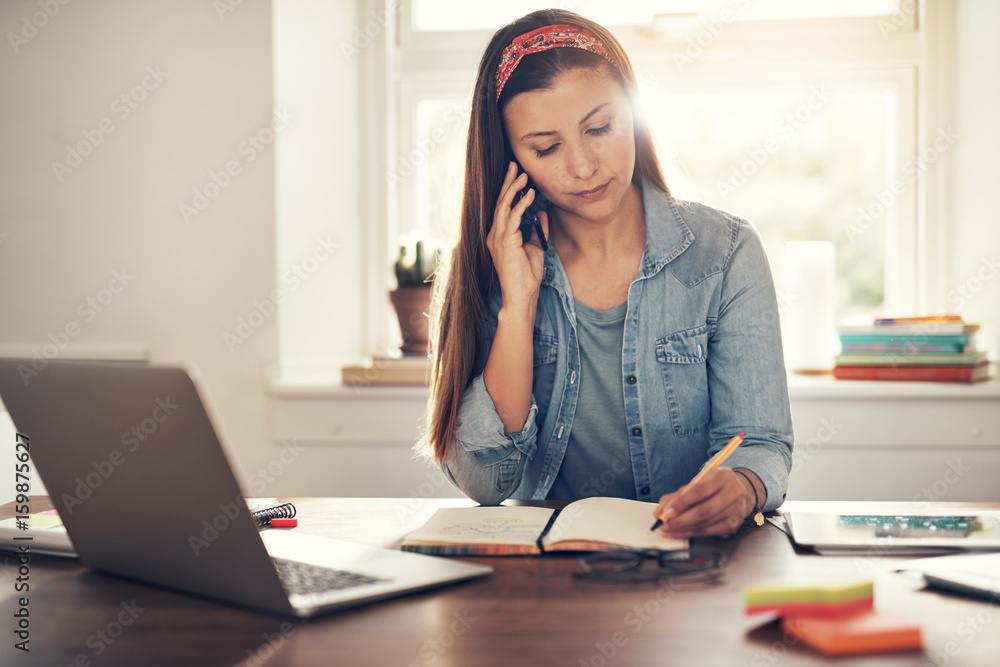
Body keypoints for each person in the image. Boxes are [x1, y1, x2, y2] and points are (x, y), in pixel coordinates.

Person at [422, 9, 793, 539]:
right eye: (547, 148)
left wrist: (741, 487)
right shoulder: (485, 264)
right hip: (544, 579)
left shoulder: (726, 253)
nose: (583, 166)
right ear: (512, 158)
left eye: (600, 128)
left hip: (688, 561)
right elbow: (485, 482)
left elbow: (762, 442)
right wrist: (517, 305)